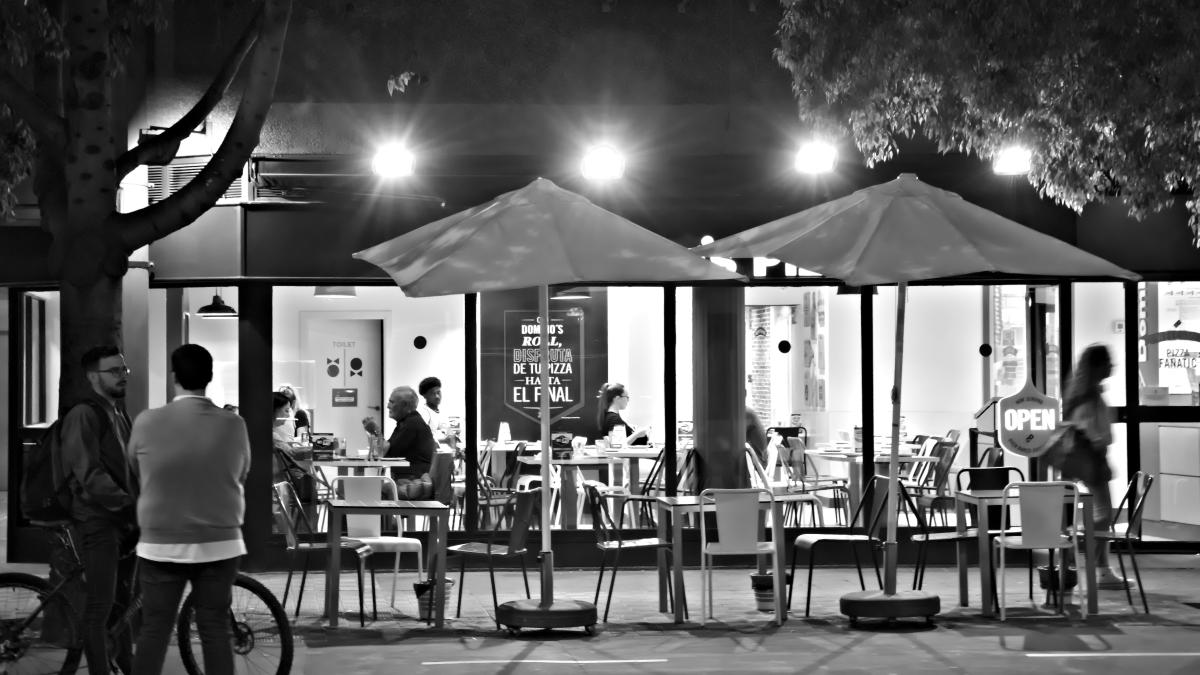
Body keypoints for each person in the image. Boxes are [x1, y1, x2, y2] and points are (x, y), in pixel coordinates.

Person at [126, 344, 250, 675]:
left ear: (174, 377)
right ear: (210, 377)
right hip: (220, 541)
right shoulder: (233, 425)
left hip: (160, 540)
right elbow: (241, 473)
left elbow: (136, 473)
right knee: (214, 629)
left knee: (154, 629)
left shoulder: (147, 422)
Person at [59, 345, 137, 675]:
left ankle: (128, 666)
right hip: (99, 522)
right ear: (94, 377)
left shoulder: (119, 412)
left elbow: (130, 466)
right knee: (99, 607)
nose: (122, 376)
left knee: (123, 604)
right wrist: (128, 502)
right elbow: (87, 473)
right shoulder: (84, 415)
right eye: (114, 371)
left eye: (124, 370)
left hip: (124, 521)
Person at [1062, 343, 1126, 589]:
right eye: (1108, 362)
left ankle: (1095, 562)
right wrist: (1101, 441)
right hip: (1091, 462)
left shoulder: (1086, 394)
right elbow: (1088, 431)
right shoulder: (1088, 398)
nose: (1113, 365)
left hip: (1088, 461)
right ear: (1097, 366)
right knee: (1104, 515)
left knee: (1103, 515)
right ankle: (1099, 566)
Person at [364, 386, 436, 480]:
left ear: (404, 405)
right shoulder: (407, 422)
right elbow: (383, 450)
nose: (388, 406)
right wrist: (373, 432)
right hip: (409, 480)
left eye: (392, 402)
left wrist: (376, 430)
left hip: (412, 484)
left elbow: (383, 452)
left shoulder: (412, 424)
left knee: (374, 490)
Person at [417, 376, 457, 450]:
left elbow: (448, 432)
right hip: (430, 456)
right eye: (432, 393)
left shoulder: (441, 412)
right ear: (425, 396)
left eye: (438, 392)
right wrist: (444, 440)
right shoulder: (423, 413)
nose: (437, 396)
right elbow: (422, 439)